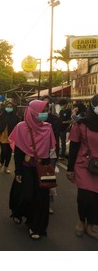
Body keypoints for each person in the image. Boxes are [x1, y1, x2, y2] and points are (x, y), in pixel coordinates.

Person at [8, 100, 56, 240]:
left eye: (47, 110)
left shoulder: (48, 128)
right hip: (26, 167)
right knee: (26, 196)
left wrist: (52, 169)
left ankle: (35, 226)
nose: (45, 113)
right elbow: (17, 153)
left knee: (41, 200)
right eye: (43, 110)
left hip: (42, 168)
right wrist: (18, 171)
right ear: (34, 112)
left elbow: (52, 150)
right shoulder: (21, 127)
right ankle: (17, 212)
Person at [66, 94, 98, 240]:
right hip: (84, 165)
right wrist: (70, 169)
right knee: (85, 197)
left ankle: (91, 224)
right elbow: (73, 146)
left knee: (96, 198)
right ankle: (81, 220)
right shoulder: (81, 124)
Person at [40, 95, 62, 214]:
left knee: (48, 179)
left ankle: (47, 203)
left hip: (51, 153)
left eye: (47, 107)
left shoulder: (55, 120)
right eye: (42, 105)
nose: (44, 110)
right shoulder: (34, 118)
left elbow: (56, 136)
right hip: (36, 154)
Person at [0, 101, 20, 174]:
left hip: (12, 138)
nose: (9, 108)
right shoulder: (1, 116)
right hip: (3, 137)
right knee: (4, 151)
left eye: (11, 107)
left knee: (9, 152)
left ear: (13, 108)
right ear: (5, 107)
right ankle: (1, 163)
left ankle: (6, 167)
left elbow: (18, 128)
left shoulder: (16, 118)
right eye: (8, 106)